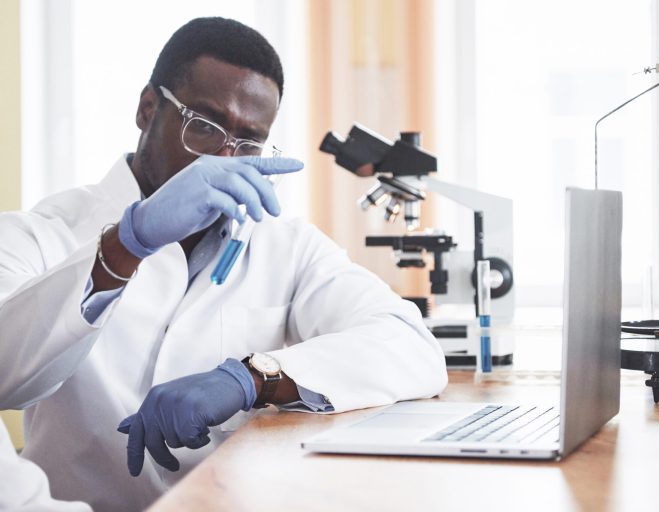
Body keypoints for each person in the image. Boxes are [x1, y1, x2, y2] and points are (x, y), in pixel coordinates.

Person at [0, 16, 447, 512]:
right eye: (206, 127)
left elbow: (410, 344)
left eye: (249, 140)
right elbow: (5, 371)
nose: (226, 157)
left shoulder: (285, 243)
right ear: (148, 109)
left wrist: (252, 377)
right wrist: (128, 243)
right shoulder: (41, 234)